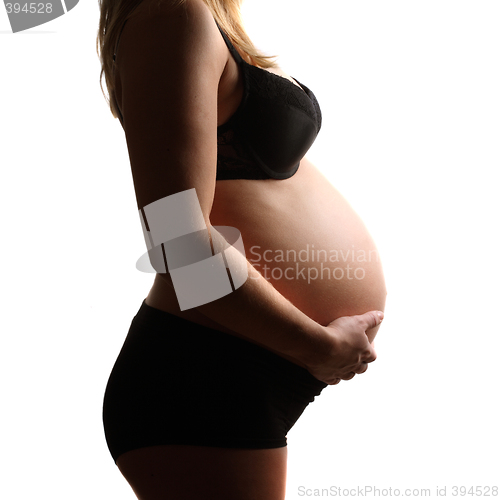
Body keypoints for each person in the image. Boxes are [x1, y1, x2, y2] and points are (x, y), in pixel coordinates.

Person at [98, 0, 387, 498]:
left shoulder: (197, 17)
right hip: (201, 379)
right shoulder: (172, 14)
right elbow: (177, 239)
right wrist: (317, 347)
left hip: (230, 371)